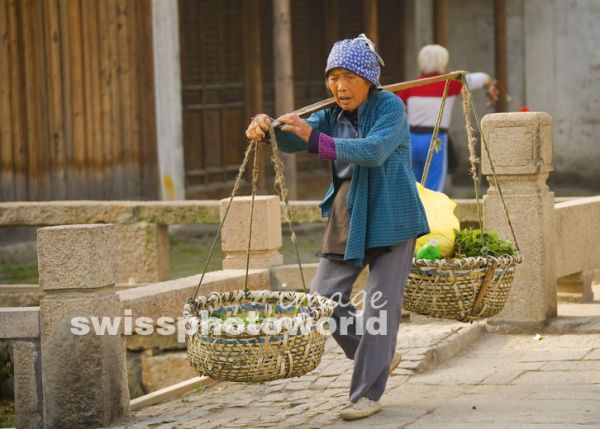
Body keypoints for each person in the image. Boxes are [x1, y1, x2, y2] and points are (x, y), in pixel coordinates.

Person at [245, 34, 429, 421]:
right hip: (348, 211)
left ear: (367, 78)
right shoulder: (331, 114)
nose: (340, 87)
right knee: (323, 299)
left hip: (392, 213)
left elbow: (374, 151)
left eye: (348, 76)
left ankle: (365, 393)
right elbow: (295, 140)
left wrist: (314, 138)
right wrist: (267, 130)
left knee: (380, 306)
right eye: (333, 77)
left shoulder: (390, 107)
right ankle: (376, 354)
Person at [396, 44, 499, 192]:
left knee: (413, 187)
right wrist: (490, 88)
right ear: (442, 62)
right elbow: (483, 78)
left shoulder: (411, 86)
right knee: (433, 188)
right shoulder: (450, 83)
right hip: (435, 140)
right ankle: (431, 215)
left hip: (411, 140)